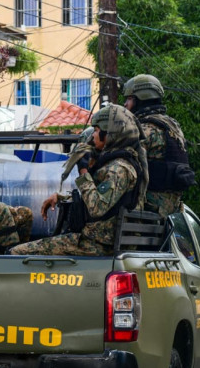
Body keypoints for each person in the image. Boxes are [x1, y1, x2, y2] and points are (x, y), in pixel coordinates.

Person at [9, 104, 146, 256]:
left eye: (96, 130)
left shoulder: (118, 169)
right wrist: (60, 197)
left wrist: (83, 171)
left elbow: (97, 208)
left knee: (16, 253)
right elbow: (100, 197)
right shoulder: (116, 165)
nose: (93, 136)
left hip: (97, 245)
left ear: (110, 134)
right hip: (97, 240)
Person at [123, 74, 194, 217]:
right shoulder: (172, 126)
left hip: (145, 211)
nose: (125, 104)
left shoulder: (144, 129)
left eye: (129, 99)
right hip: (169, 211)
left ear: (141, 99)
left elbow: (123, 167)